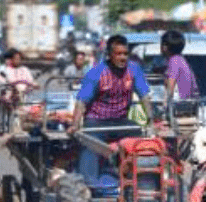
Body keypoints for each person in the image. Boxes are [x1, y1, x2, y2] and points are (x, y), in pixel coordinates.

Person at [69, 34, 151, 185]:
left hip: (120, 121)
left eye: (125, 54)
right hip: (96, 121)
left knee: (141, 138)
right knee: (90, 143)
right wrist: (74, 125)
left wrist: (151, 121)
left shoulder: (134, 70)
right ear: (109, 55)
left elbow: (144, 96)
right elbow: (81, 101)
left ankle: (138, 180)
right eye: (118, 54)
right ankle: (88, 183)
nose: (122, 57)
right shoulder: (96, 72)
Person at [161, 30, 198, 101]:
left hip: (179, 104)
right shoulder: (180, 59)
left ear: (165, 47)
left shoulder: (174, 60)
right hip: (186, 102)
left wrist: (166, 103)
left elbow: (171, 82)